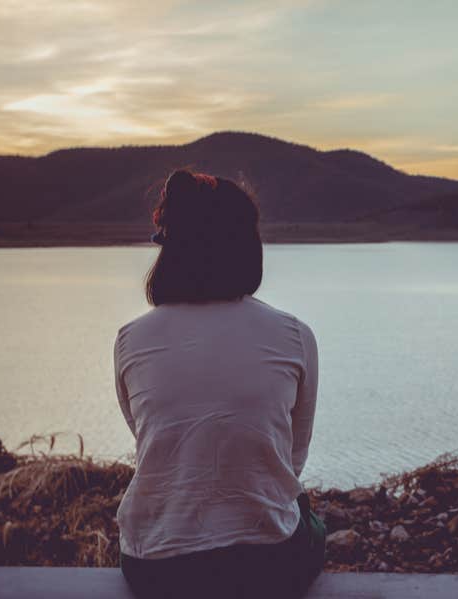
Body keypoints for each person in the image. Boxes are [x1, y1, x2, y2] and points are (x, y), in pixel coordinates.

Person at [113, 170, 325, 599]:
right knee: (308, 519)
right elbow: (292, 460)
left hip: (154, 569)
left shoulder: (130, 339)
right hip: (269, 566)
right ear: (247, 245)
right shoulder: (294, 336)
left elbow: (152, 441)